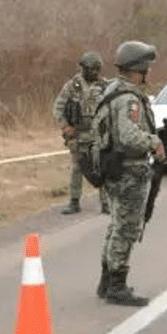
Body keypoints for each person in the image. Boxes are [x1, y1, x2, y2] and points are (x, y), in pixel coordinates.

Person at [93, 40, 165, 307]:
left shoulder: (111, 89)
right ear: (139, 69)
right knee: (125, 229)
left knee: (115, 225)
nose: (150, 72)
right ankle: (117, 286)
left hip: (114, 169)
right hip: (129, 171)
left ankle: (106, 280)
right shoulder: (129, 99)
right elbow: (128, 135)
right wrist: (153, 142)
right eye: (148, 67)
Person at [52, 51, 110, 214]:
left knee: (101, 167)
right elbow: (58, 107)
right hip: (78, 134)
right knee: (78, 167)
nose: (95, 73)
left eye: (97, 70)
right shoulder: (72, 86)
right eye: (92, 69)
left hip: (99, 133)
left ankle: (106, 203)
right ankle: (74, 202)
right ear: (84, 69)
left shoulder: (105, 86)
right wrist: (65, 126)